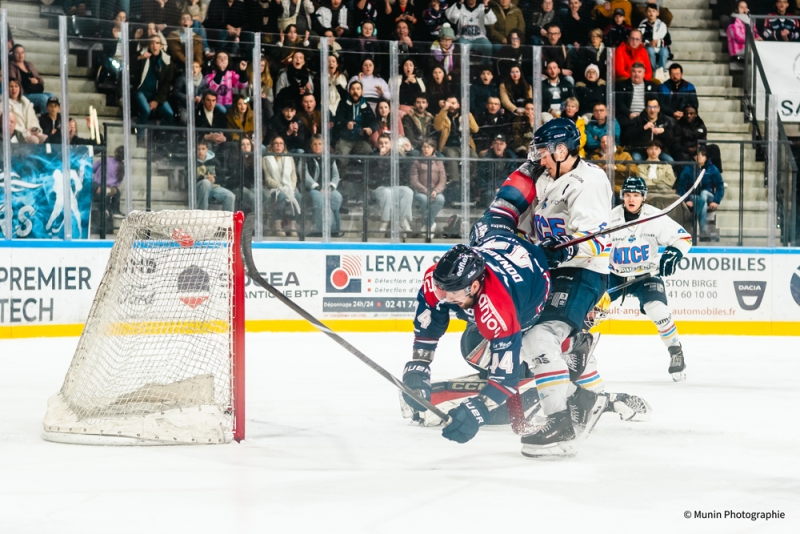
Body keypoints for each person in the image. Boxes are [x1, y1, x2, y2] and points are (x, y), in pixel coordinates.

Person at [474, 118, 614, 456]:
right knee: (527, 338)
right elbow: (523, 226)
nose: (539, 157)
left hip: (583, 271)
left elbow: (598, 242)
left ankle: (560, 425)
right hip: (550, 270)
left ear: (562, 149)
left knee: (539, 338)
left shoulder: (589, 180)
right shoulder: (546, 179)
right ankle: (577, 359)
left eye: (544, 151)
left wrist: (569, 246)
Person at [400, 237, 551, 447]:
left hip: (531, 309)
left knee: (532, 361)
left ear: (474, 285)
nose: (445, 297)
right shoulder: (440, 284)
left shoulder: (499, 306)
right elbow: (429, 323)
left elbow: (505, 377)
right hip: (506, 279)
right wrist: (420, 363)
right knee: (474, 347)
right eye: (443, 290)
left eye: (453, 292)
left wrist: (480, 408)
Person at [607, 176, 692, 380]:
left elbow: (684, 238)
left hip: (646, 276)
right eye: (627, 195)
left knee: (659, 312)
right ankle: (577, 353)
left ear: (643, 197)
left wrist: (674, 253)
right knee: (590, 310)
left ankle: (675, 351)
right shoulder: (610, 218)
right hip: (615, 276)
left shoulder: (655, 217)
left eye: (636, 195)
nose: (631, 199)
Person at [370, 133, 414, 233]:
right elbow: (374, 176)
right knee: (387, 192)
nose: (383, 145)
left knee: (408, 191)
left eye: (386, 143)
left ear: (391, 144)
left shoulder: (397, 155)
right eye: (381, 143)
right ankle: (385, 221)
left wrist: (409, 152)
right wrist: (380, 159)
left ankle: (403, 220)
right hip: (379, 188)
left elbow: (407, 169)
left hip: (395, 187)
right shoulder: (373, 156)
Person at [678, 147, 725, 239]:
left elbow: (720, 186)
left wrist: (716, 200)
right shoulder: (688, 169)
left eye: (702, 155)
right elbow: (681, 186)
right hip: (692, 196)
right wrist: (686, 200)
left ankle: (692, 220)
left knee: (704, 193)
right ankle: (703, 231)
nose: (699, 157)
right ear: (694, 157)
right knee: (702, 205)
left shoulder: (712, 169)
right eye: (697, 155)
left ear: (706, 157)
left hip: (709, 195)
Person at [434, 94, 479, 184]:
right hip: (448, 146)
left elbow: (475, 129)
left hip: (464, 146)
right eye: (448, 103)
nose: (451, 106)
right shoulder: (442, 115)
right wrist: (443, 110)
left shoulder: (466, 115)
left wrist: (468, 117)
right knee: (451, 155)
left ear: (458, 105)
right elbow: (437, 127)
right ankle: (456, 182)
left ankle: (469, 181)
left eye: (453, 103)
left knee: (474, 156)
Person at [332, 81, 377, 172]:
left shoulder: (365, 105)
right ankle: (341, 181)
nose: (355, 91)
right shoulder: (343, 103)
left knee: (370, 155)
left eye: (358, 89)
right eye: (352, 89)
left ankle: (366, 183)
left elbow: (373, 121)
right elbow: (337, 119)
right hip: (345, 139)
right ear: (349, 91)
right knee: (341, 158)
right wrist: (346, 124)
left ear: (362, 91)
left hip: (360, 140)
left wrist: (370, 129)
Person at [305, 134, 343, 237]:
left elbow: (336, 175)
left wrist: (331, 187)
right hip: (312, 189)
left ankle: (334, 230)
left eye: (320, 144)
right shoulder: (306, 157)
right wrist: (317, 187)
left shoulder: (330, 158)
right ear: (311, 146)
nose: (317, 146)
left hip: (327, 188)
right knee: (319, 197)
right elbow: (305, 176)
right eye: (315, 144)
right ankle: (319, 229)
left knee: (337, 196)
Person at [263, 135, 302, 236]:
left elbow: (294, 176)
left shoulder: (289, 158)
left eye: (281, 143)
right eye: (276, 143)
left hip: (289, 187)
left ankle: (293, 225)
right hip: (274, 189)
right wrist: (281, 187)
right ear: (272, 146)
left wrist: (291, 188)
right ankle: (278, 225)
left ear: (284, 146)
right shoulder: (266, 159)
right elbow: (268, 179)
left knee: (297, 196)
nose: (278, 146)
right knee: (281, 196)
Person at [134, 35, 174, 133]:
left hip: (157, 95)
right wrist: (140, 58)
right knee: (146, 110)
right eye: (151, 43)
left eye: (157, 43)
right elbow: (128, 64)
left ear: (161, 46)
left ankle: (159, 136)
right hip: (142, 91)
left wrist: (156, 100)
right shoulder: (142, 55)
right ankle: (139, 138)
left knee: (169, 113)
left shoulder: (167, 60)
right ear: (148, 44)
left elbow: (166, 84)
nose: (154, 45)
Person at [409, 138, 447, 233]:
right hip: (420, 192)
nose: (426, 149)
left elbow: (443, 180)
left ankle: (427, 223)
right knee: (424, 199)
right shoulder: (417, 162)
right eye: (424, 147)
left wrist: (436, 191)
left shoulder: (439, 162)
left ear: (434, 148)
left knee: (441, 199)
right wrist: (426, 191)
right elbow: (414, 181)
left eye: (429, 147)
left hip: (435, 192)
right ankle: (431, 224)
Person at [615, 62, 659, 129]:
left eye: (639, 72)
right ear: (630, 73)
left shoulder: (651, 85)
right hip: (627, 116)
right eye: (634, 71)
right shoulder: (622, 85)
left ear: (644, 74)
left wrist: (643, 114)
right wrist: (629, 114)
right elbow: (619, 103)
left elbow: (655, 102)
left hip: (647, 115)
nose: (636, 74)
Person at [196, 138, 236, 212]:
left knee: (230, 196)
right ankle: (201, 214)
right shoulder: (192, 161)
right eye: (198, 149)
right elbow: (187, 180)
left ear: (207, 149)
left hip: (213, 188)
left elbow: (222, 178)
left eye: (203, 149)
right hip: (198, 189)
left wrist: (214, 179)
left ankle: (227, 221)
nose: (200, 152)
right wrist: (204, 178)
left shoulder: (214, 161)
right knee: (206, 182)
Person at [477, 133, 517, 206]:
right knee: (490, 195)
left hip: (505, 188)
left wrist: (501, 187)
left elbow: (513, 178)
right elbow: (481, 179)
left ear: (505, 145)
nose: (499, 146)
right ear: (492, 145)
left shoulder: (511, 159)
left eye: (501, 144)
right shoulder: (486, 159)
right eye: (496, 143)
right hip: (489, 191)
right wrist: (495, 187)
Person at [9, 44, 50, 114]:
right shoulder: (12, 66)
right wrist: (27, 82)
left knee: (51, 96)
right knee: (44, 99)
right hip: (24, 93)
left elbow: (41, 80)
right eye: (17, 53)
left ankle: (53, 120)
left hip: (35, 91)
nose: (20, 55)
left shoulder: (29, 64)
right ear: (13, 54)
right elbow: (14, 81)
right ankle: (45, 121)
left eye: (22, 52)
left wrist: (37, 81)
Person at [7, 79, 47, 143]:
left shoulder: (27, 103)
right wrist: (26, 132)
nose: (14, 89)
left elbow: (33, 119)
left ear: (20, 88)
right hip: (18, 135)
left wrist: (34, 129)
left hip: (30, 132)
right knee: (34, 140)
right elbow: (10, 125)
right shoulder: (3, 104)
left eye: (16, 86)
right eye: (11, 86)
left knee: (44, 138)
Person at [638, 2, 671, 79]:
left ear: (657, 13)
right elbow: (640, 38)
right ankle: (652, 71)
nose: (651, 13)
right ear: (646, 13)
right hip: (648, 46)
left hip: (660, 47)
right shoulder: (643, 25)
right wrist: (648, 43)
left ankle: (660, 71)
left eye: (653, 11)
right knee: (650, 50)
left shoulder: (662, 25)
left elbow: (668, 40)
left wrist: (658, 42)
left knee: (664, 52)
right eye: (649, 11)